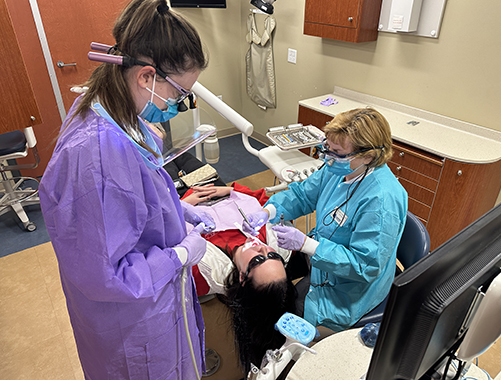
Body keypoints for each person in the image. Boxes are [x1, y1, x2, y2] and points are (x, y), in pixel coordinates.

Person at [38, 1, 214, 379]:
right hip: (132, 324)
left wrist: (175, 210)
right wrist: (179, 255)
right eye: (181, 93)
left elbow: (130, 198)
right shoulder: (94, 154)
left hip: (151, 303)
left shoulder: (115, 112)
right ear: (147, 77)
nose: (181, 104)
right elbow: (105, 273)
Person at [244, 107, 408, 332]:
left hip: (351, 288)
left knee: (290, 313)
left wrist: (307, 245)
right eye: (326, 149)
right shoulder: (338, 168)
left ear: (368, 156)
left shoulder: (381, 202)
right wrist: (269, 211)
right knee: (263, 283)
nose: (327, 158)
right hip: (323, 256)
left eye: (337, 152)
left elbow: (364, 266)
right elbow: (302, 194)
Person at [181, 183, 298, 374]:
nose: (263, 249)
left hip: (180, 199)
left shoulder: (202, 271)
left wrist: (181, 206)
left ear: (242, 277)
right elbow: (263, 200)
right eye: (273, 256)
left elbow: (162, 236)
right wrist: (229, 191)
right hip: (219, 193)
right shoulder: (276, 242)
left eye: (259, 259)